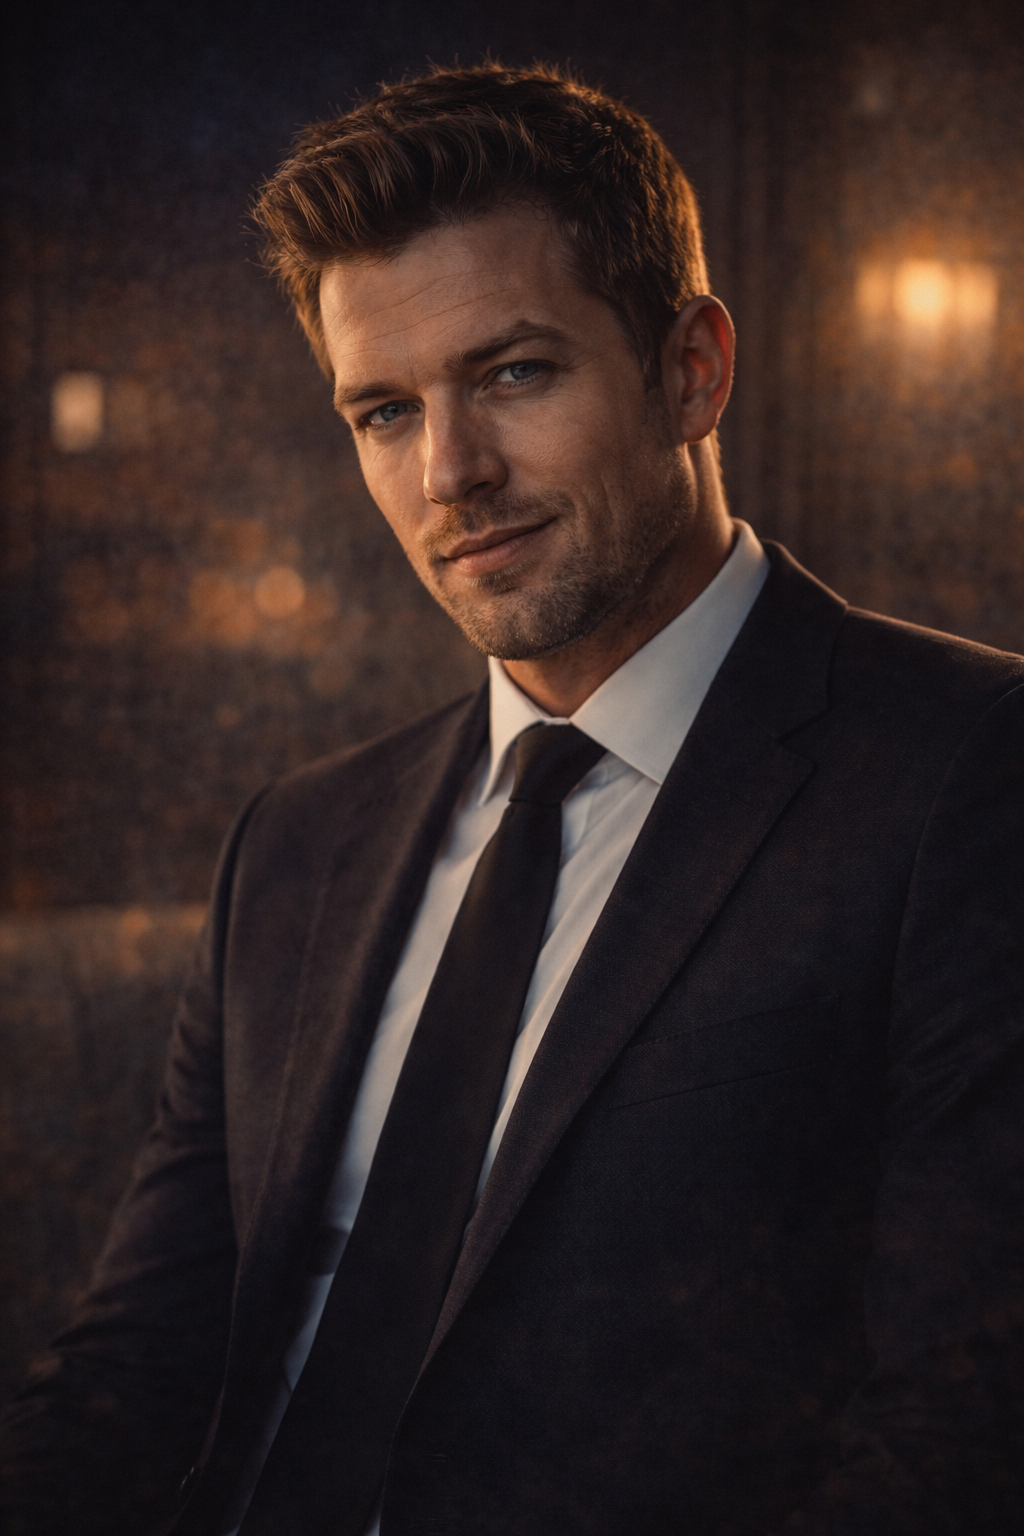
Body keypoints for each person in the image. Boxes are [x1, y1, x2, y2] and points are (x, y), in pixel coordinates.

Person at [2, 61, 1022, 1536]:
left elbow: (964, 1430)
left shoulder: (968, 771)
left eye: (514, 374)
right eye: (382, 410)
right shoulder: (298, 844)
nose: (448, 474)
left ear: (693, 370)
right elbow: (137, 1364)